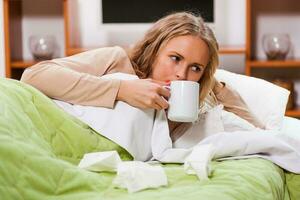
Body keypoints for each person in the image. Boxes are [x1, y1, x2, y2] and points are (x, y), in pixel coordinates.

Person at [21, 12, 264, 141]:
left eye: (196, 67)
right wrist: (121, 90)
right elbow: (34, 75)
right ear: (154, 49)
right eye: (176, 58)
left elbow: (258, 131)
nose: (182, 74)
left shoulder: (193, 102)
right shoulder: (117, 60)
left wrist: (212, 82)